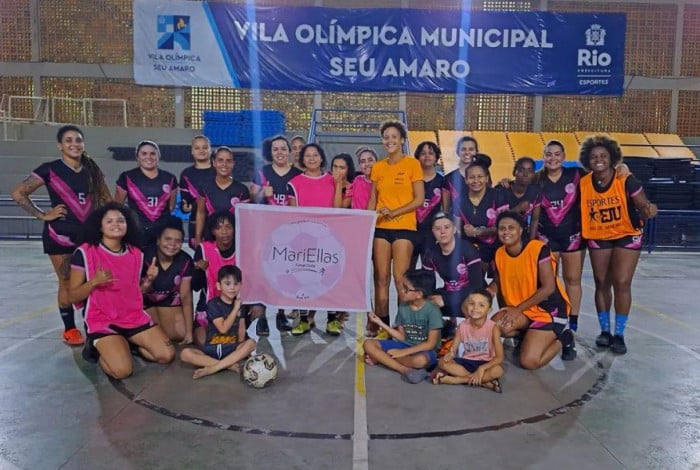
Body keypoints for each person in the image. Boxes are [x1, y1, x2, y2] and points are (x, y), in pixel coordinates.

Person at [11, 124, 111, 346]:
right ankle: (70, 329)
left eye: (78, 140)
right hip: (60, 236)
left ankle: (93, 325)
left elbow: (106, 197)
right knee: (66, 281)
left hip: (89, 236)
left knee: (90, 281)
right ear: (60, 146)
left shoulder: (92, 170)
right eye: (68, 140)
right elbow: (18, 193)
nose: (74, 144)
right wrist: (42, 215)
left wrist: (110, 222)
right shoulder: (49, 169)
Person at [68, 202, 175, 379]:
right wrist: (94, 282)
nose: (116, 224)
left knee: (166, 355)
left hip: (132, 317)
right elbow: (72, 296)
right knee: (122, 371)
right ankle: (96, 348)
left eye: (120, 220)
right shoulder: (85, 252)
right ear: (100, 227)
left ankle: (127, 344)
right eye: (109, 221)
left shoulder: (135, 253)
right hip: (102, 320)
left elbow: (136, 292)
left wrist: (149, 280)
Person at [579, 135, 658, 354]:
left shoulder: (625, 179)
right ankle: (605, 331)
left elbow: (644, 206)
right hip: (599, 234)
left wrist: (649, 210)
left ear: (612, 158)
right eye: (594, 156)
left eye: (603, 155)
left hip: (626, 234)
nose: (599, 159)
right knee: (601, 282)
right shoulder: (583, 183)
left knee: (622, 282)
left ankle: (619, 334)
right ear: (588, 160)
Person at [489, 211, 576, 369]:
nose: (506, 232)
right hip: (524, 310)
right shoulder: (499, 254)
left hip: (548, 311)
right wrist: (502, 306)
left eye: (511, 228)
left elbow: (548, 287)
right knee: (494, 327)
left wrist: (517, 310)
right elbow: (500, 284)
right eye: (502, 228)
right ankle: (524, 333)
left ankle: (564, 338)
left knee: (529, 362)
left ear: (521, 230)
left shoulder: (537, 249)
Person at [367, 121, 424, 337]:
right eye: (386, 137)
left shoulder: (412, 164)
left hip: (404, 229)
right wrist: (367, 220)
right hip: (381, 228)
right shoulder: (378, 167)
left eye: (394, 137)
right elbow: (373, 198)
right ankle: (383, 326)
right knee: (381, 278)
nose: (389, 141)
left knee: (401, 279)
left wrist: (394, 212)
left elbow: (419, 199)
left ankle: (403, 326)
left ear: (402, 140)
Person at [288, 143, 346, 336]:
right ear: (302, 159)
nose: (311, 158)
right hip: (303, 239)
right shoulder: (294, 183)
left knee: (328, 276)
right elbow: (292, 213)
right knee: (304, 277)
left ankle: (332, 319)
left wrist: (338, 184)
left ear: (321, 158)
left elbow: (337, 209)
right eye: (307, 155)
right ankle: (304, 319)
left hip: (328, 238)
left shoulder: (332, 180)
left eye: (315, 155)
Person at [249, 135, 301, 332]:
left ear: (289, 151)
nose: (279, 152)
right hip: (265, 231)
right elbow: (251, 197)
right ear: (270, 152)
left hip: (289, 234)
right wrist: (263, 193)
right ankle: (262, 317)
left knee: (284, 273)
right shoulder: (262, 172)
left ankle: (281, 313)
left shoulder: (297, 174)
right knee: (264, 272)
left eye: (283, 148)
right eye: (275, 149)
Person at [536, 141, 587, 333]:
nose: (553, 158)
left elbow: (601, 177)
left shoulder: (576, 175)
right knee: (548, 282)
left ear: (564, 156)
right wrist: (506, 182)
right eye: (549, 154)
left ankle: (573, 322)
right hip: (546, 237)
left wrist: (622, 169)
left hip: (573, 236)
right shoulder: (536, 179)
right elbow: (516, 188)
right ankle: (552, 318)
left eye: (557, 154)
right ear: (543, 157)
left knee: (572, 279)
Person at [362, 269, 442, 384]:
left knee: (420, 361)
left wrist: (402, 352)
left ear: (419, 294)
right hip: (405, 345)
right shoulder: (403, 307)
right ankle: (404, 370)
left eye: (406, 289)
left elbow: (430, 344)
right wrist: (380, 323)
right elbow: (402, 337)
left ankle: (383, 359)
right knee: (368, 344)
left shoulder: (433, 311)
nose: (402, 291)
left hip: (424, 350)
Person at [180, 265, 257, 379]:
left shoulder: (241, 306)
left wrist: (243, 348)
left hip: (231, 349)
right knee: (185, 354)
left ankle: (213, 368)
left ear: (240, 285)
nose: (232, 288)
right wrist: (235, 309)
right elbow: (223, 329)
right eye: (227, 284)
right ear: (219, 286)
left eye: (236, 284)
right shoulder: (213, 304)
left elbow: (241, 335)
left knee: (251, 343)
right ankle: (229, 365)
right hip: (211, 349)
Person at [431, 289, 504, 392]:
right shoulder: (462, 326)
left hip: (485, 363)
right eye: (472, 304)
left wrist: (482, 368)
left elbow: (500, 357)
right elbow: (453, 350)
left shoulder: (493, 328)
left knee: (498, 370)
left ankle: (455, 380)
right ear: (467, 306)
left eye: (481, 305)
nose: (475, 308)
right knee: (442, 362)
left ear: (489, 310)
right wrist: (450, 354)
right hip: (466, 361)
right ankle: (484, 383)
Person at [422, 212, 483, 333]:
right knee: (424, 304)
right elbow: (426, 285)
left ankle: (473, 338)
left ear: (454, 229)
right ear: (433, 232)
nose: (442, 232)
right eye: (438, 229)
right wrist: (429, 299)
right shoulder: (430, 254)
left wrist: (446, 300)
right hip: (449, 291)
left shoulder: (468, 249)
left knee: (470, 304)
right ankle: (439, 337)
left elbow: (477, 286)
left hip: (470, 293)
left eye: (447, 227)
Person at [114, 140, 178, 247]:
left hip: (163, 231)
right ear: (137, 157)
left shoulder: (170, 178)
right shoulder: (127, 177)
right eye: (144, 153)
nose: (149, 157)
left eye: (152, 153)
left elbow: (171, 206)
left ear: (158, 156)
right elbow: (118, 206)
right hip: (136, 230)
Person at [142, 218, 194, 344]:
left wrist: (189, 332)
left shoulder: (185, 260)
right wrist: (148, 281)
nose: (172, 244)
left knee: (181, 333)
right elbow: (132, 295)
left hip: (169, 303)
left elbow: (186, 297)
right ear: (158, 240)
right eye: (168, 239)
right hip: (145, 304)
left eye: (178, 241)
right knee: (158, 340)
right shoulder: (143, 256)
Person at [452, 159, 508, 272]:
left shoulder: (497, 196)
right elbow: (456, 230)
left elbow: (505, 227)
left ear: (486, 178)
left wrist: (477, 231)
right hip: (471, 248)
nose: (476, 180)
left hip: (497, 246)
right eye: (472, 177)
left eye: (480, 177)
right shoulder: (459, 200)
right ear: (466, 180)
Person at [194, 146, 250, 247]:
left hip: (233, 242)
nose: (224, 164)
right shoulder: (205, 187)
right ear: (214, 163)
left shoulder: (242, 190)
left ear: (233, 164)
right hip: (210, 238)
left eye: (228, 161)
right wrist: (198, 237)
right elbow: (201, 213)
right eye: (220, 160)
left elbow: (245, 221)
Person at [412, 141, 445, 269]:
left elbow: (446, 208)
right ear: (417, 157)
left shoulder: (442, 181)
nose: (427, 156)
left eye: (430, 153)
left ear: (436, 157)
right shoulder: (411, 179)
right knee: (407, 270)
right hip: (411, 230)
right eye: (423, 153)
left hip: (431, 233)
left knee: (428, 270)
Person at [179, 135, 214, 248]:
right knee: (199, 254)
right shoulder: (186, 174)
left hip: (216, 222)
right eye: (197, 148)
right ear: (192, 151)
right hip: (195, 223)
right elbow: (184, 203)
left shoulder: (219, 170)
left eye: (205, 147)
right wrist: (185, 207)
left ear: (210, 150)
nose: (201, 150)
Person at [496, 157, 541, 240]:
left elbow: (534, 220)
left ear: (533, 174)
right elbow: (497, 221)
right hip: (501, 235)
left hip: (521, 234)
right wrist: (518, 209)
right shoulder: (501, 190)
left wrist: (531, 242)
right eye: (521, 170)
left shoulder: (535, 192)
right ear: (514, 172)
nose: (526, 174)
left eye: (530, 171)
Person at [442, 136, 479, 213]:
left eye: (471, 149)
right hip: (456, 219)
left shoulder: (482, 176)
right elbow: (446, 210)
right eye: (463, 149)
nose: (467, 152)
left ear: (476, 152)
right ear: (457, 152)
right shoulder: (449, 178)